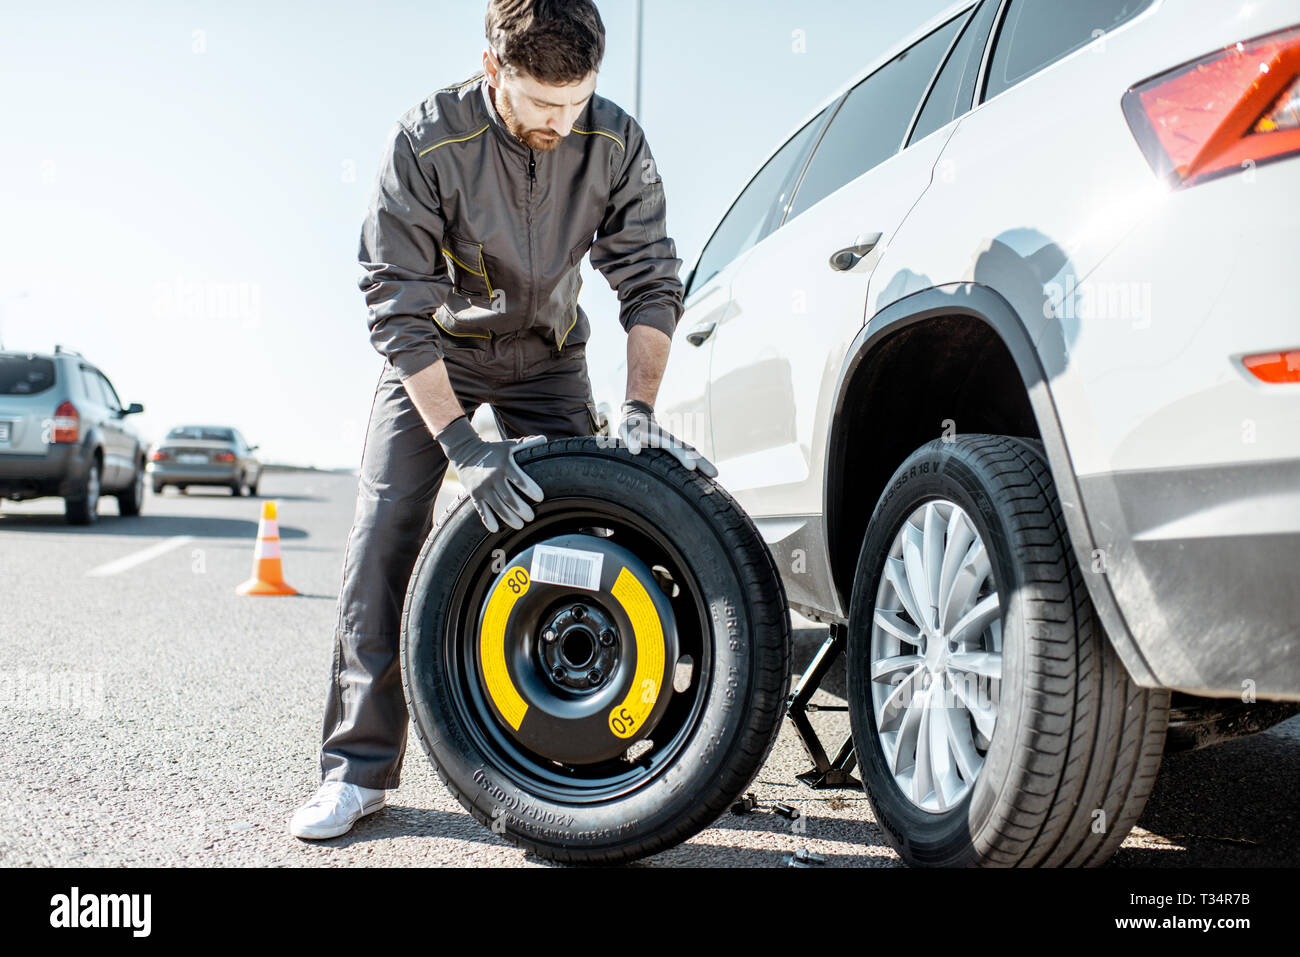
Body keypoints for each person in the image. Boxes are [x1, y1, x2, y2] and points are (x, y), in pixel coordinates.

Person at [290, 0, 717, 840]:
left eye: (577, 102)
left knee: (595, 527)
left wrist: (636, 410)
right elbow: (396, 308)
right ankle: (357, 772)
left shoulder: (614, 140)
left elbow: (650, 279)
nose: (562, 121)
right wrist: (461, 446)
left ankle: (577, 757)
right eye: (540, 104)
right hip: (434, 361)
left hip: (550, 357)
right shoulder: (426, 139)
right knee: (383, 538)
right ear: (493, 70)